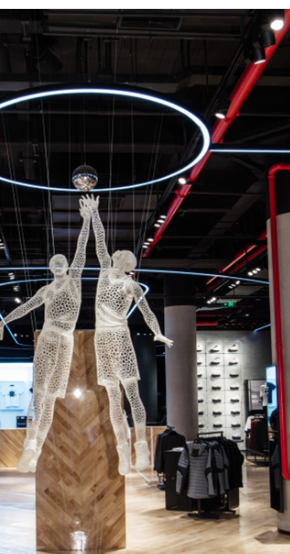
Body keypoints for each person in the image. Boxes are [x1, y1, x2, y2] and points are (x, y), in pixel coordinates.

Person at [0, 194, 97, 472]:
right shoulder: (46, 290)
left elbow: (81, 250)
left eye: (62, 261)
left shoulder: (74, 281)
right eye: (54, 262)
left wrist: (87, 220)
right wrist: (3, 321)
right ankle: (30, 443)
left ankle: (36, 446)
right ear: (50, 268)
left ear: (67, 266)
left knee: (49, 399)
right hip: (47, 337)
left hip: (65, 340)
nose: (59, 263)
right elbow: (26, 307)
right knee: (39, 393)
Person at [88, 201, 172, 473]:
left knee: (133, 394)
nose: (119, 259)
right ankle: (122, 451)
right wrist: (94, 214)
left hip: (120, 337)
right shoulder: (104, 272)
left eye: (125, 260)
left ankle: (142, 447)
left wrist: (157, 332)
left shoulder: (131, 285)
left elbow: (146, 311)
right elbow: (100, 241)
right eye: (123, 258)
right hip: (102, 339)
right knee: (114, 398)